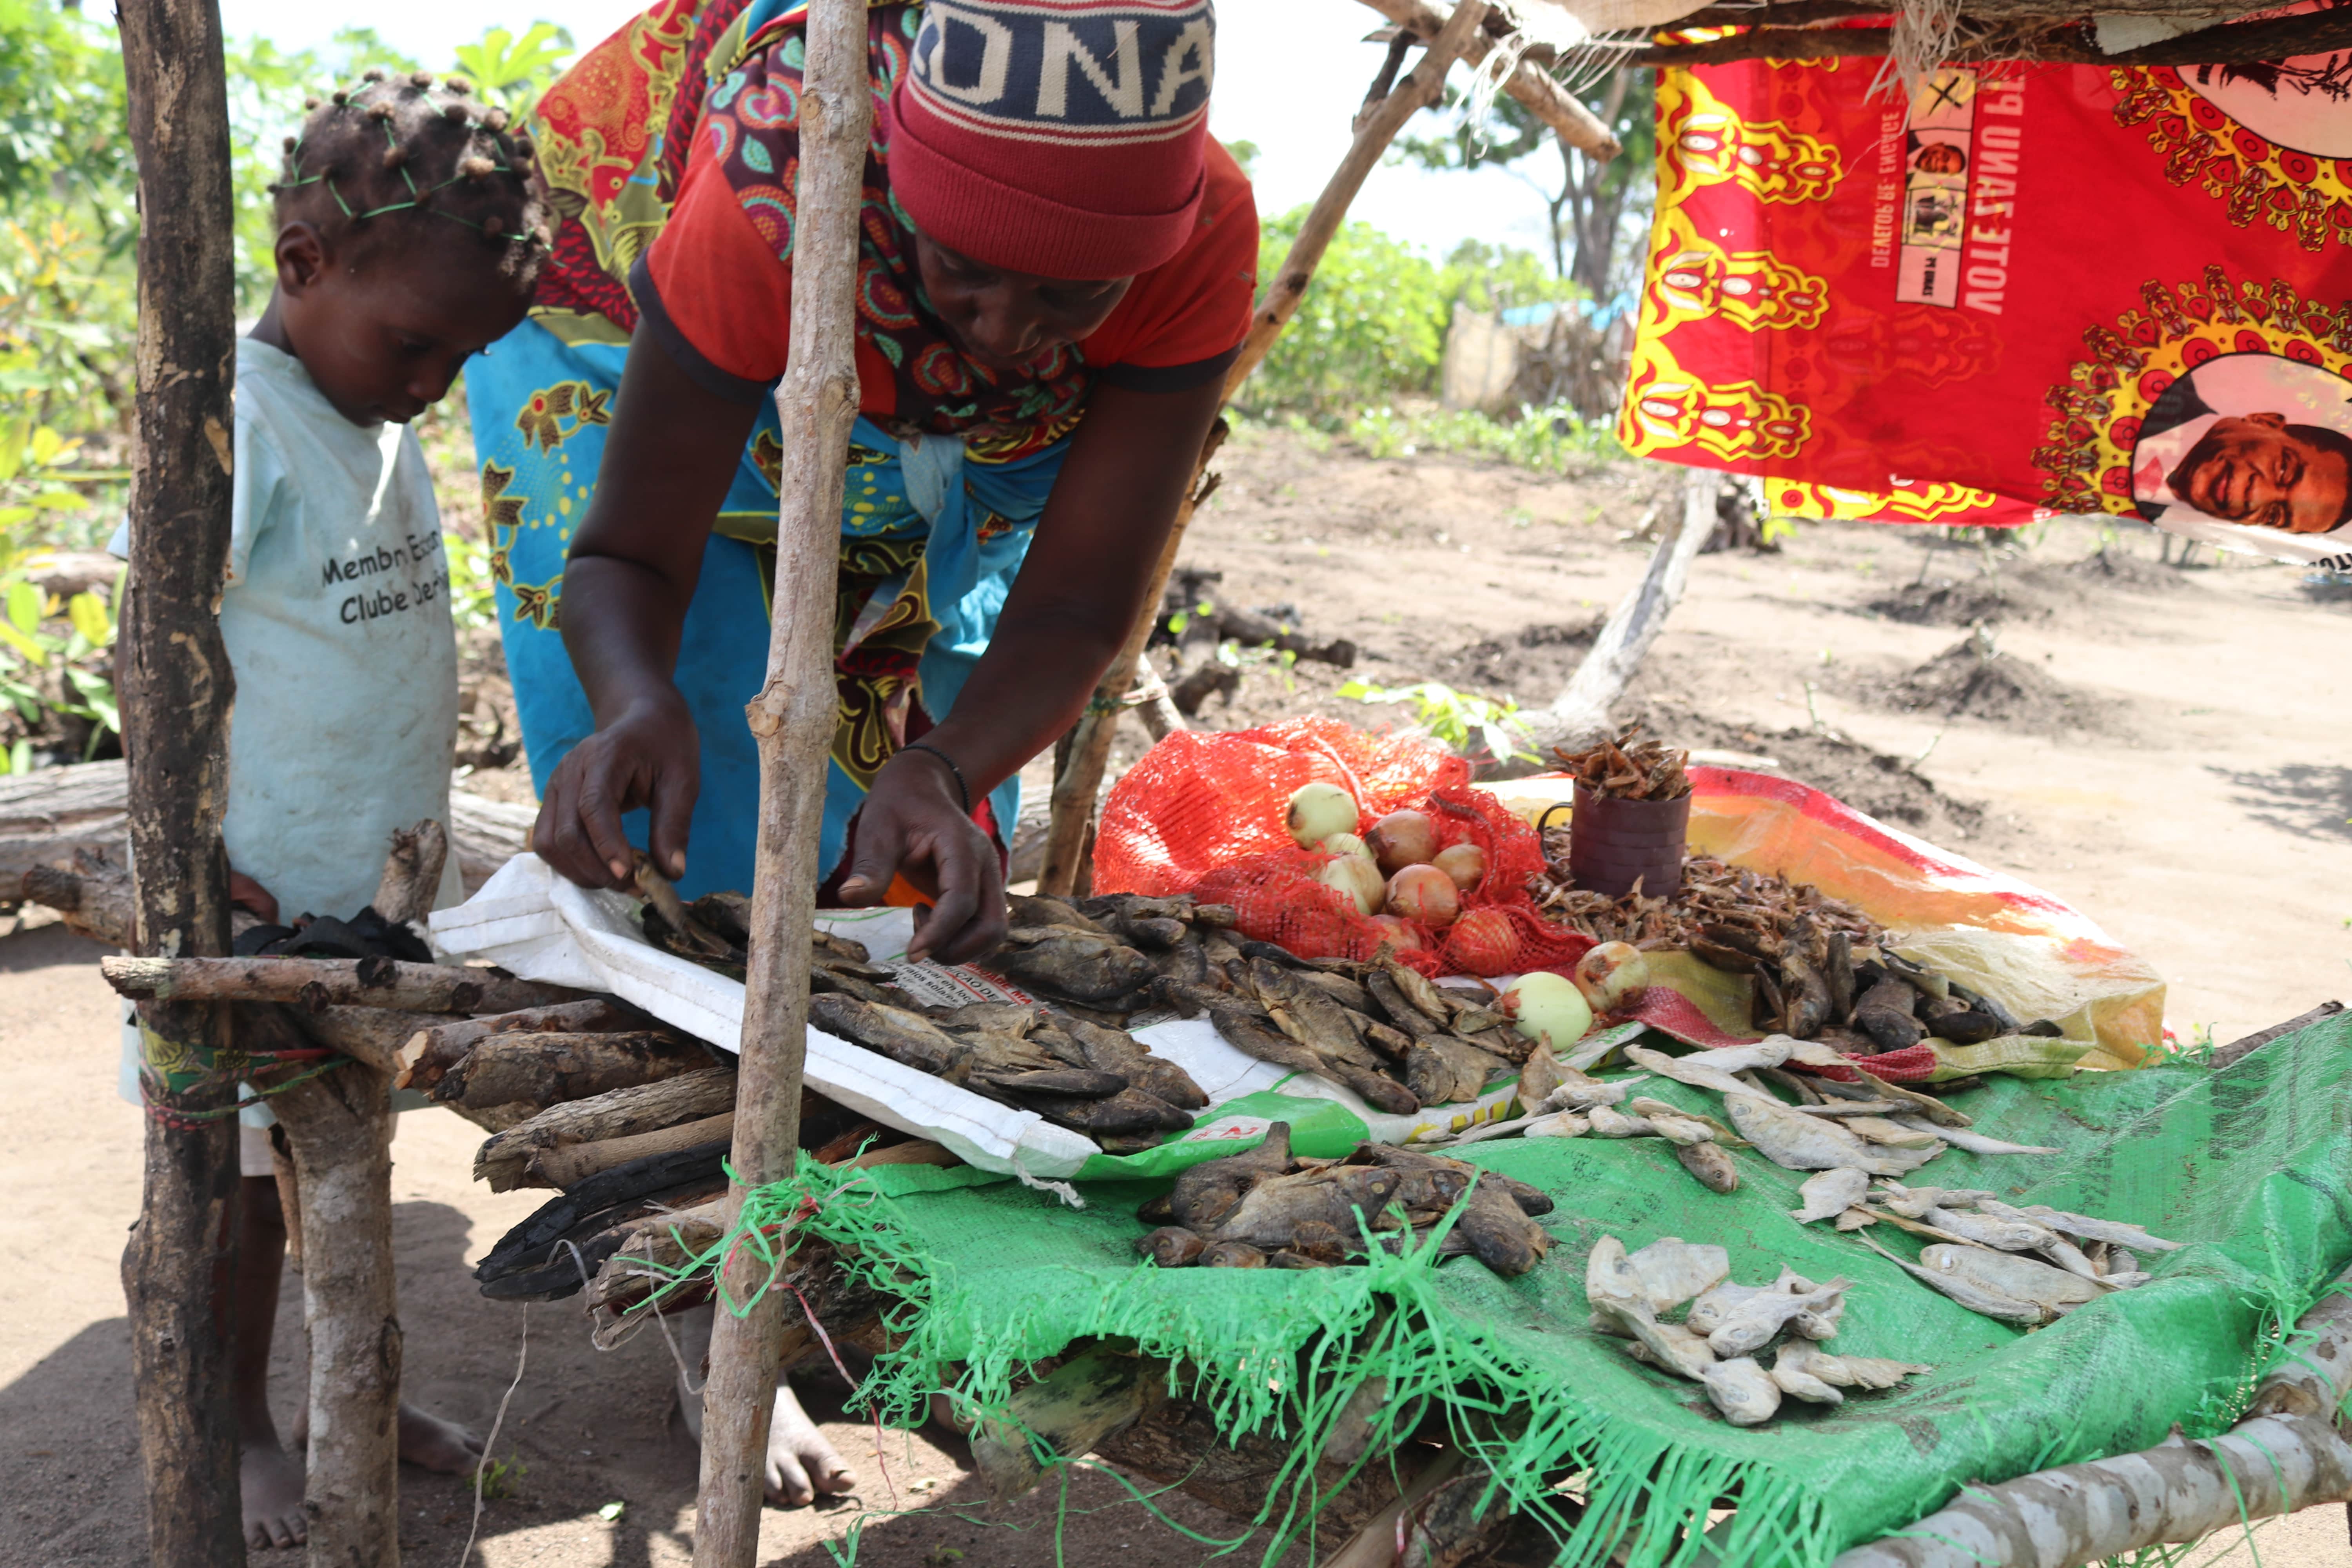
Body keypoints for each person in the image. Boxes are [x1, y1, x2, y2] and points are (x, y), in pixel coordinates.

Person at [466, 0, 1252, 1505]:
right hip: (629, 316)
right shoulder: (783, 173)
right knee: (695, 831)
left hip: (917, 399)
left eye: (1067, 300)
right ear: (901, 185)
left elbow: (1078, 598)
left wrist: (947, 768)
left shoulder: (1195, 234)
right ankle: (716, 1311)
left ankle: (845, 1246)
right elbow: (628, 547)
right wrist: (635, 702)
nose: (1010, 331)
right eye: (971, 274)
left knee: (895, 850)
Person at [113, 68, 545, 1550]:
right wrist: (189, 859)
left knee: (338, 1155)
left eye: (458, 359)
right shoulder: (234, 427)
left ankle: (335, 1397)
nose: (431, 382)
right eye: (416, 344)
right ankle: (232, 1423)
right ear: (305, 268)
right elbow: (159, 654)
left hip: (356, 903)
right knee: (224, 1188)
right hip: (234, 906)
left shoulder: (367, 407)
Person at [2133, 370, 2352, 535]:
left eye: (2274, 515)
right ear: (2264, 422)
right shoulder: (2152, 383)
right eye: (2284, 470)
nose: (2255, 497)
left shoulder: (2146, 519)